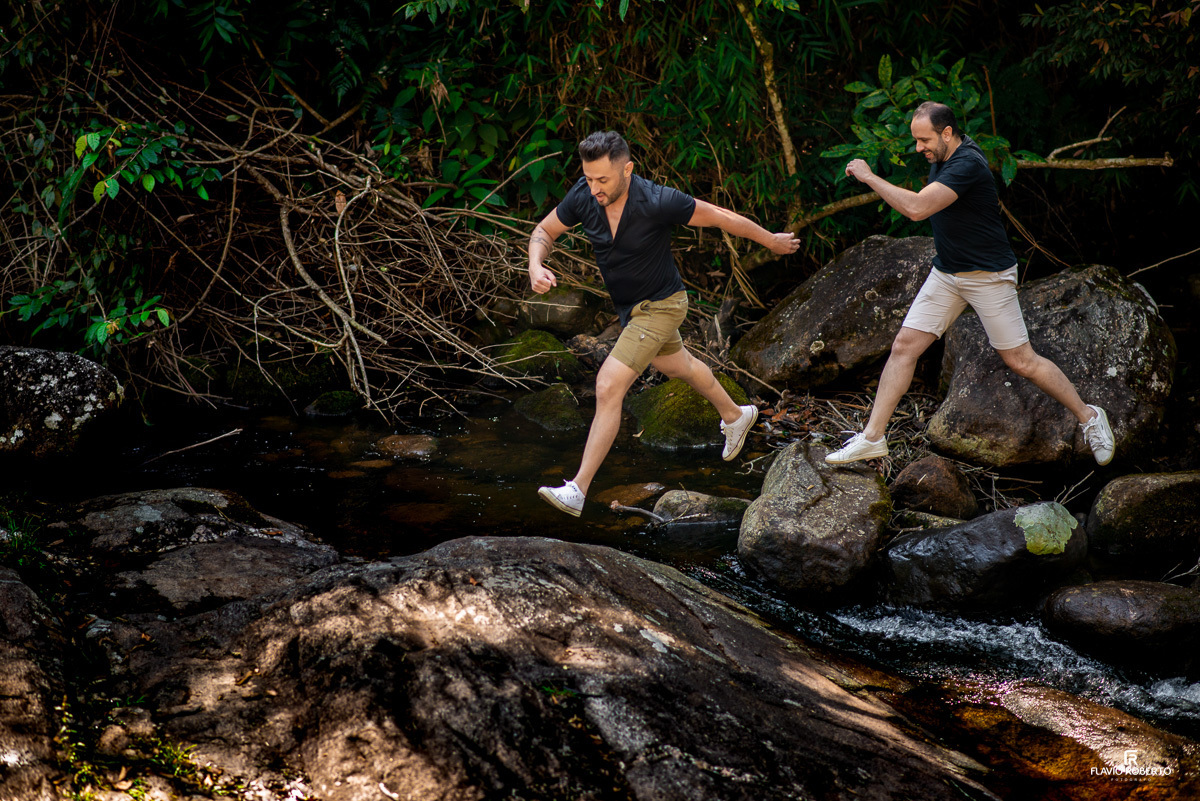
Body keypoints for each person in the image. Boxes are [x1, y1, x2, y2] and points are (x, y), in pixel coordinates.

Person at [826, 101, 1115, 467]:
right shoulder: (945, 154)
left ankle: (1090, 417)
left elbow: (917, 209)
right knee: (904, 346)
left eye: (924, 140)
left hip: (987, 278)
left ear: (947, 133)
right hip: (948, 274)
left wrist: (869, 176)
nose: (919, 149)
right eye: (916, 141)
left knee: (1022, 361)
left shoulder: (967, 164)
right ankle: (872, 437)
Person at [530, 131, 800, 517]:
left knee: (608, 386)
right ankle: (736, 415)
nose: (594, 189)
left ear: (628, 169)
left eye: (603, 180)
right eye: (589, 179)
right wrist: (535, 264)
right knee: (680, 366)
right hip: (633, 311)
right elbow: (544, 231)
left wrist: (770, 240)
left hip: (662, 306)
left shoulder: (657, 200)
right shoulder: (583, 196)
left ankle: (578, 489)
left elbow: (721, 217)